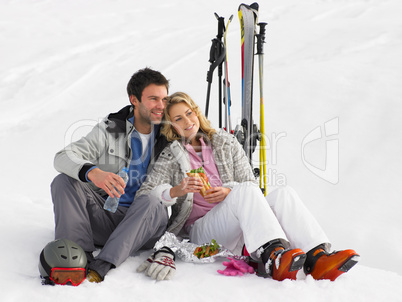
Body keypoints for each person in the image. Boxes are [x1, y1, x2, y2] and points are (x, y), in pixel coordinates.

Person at [135, 91, 359, 281]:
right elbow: (146, 194)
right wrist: (176, 190)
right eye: (178, 119)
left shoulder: (225, 142)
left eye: (189, 114)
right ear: (171, 127)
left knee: (283, 194)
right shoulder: (170, 156)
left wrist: (227, 191)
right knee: (244, 192)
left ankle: (318, 258)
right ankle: (273, 258)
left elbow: (249, 184)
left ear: (196, 112)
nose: (187, 122)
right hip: (202, 232)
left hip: (240, 224)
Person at [51, 67, 171, 283]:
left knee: (153, 200)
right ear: (134, 100)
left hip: (145, 225)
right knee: (64, 181)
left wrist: (171, 244)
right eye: (153, 99)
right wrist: (94, 173)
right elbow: (62, 157)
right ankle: (76, 256)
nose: (161, 106)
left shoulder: (171, 133)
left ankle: (103, 264)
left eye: (164, 99)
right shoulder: (111, 129)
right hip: (106, 215)